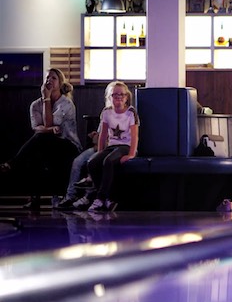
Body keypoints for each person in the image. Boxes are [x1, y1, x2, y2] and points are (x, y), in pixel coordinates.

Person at [0, 68, 82, 209]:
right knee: (36, 153)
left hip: (68, 144)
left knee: (39, 140)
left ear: (60, 83)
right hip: (46, 143)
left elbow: (47, 125)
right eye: (47, 78)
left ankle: (13, 163)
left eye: (53, 78)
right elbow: (37, 127)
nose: (49, 80)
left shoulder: (66, 104)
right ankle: (35, 199)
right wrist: (49, 129)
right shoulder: (35, 105)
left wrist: (47, 99)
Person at [56, 82, 118, 210]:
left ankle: (89, 196)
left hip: (110, 148)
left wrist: (101, 141)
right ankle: (70, 195)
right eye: (113, 95)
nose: (116, 97)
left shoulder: (126, 113)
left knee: (93, 161)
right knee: (78, 161)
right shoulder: (106, 112)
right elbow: (100, 135)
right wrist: (96, 136)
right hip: (99, 146)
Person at [86, 81, 140, 212]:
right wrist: (99, 152)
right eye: (115, 95)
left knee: (108, 161)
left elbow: (134, 136)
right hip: (112, 146)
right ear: (110, 98)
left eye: (121, 94)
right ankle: (108, 199)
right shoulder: (106, 112)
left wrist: (131, 154)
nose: (119, 97)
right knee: (92, 162)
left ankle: (99, 198)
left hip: (126, 146)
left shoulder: (131, 112)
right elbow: (103, 135)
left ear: (127, 97)